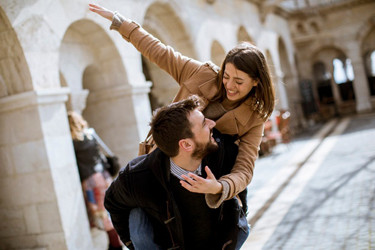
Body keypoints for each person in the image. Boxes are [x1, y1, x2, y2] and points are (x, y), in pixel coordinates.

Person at [89, 3, 276, 207]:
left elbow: (245, 168)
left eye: (239, 82)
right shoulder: (202, 74)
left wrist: (220, 187)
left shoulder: (255, 117)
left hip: (201, 185)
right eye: (226, 76)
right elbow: (160, 52)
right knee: (140, 232)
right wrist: (121, 22)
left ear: (256, 81)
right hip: (157, 165)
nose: (229, 86)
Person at [104, 95, 248, 250]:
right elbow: (112, 203)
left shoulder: (224, 150)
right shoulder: (137, 177)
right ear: (186, 144)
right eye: (204, 124)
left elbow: (241, 189)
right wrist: (134, 244)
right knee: (136, 214)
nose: (212, 123)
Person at [67, 111, 122, 250]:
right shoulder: (90, 135)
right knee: (107, 209)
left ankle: (115, 245)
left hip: (91, 182)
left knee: (100, 213)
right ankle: (113, 243)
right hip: (103, 175)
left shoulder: (73, 142)